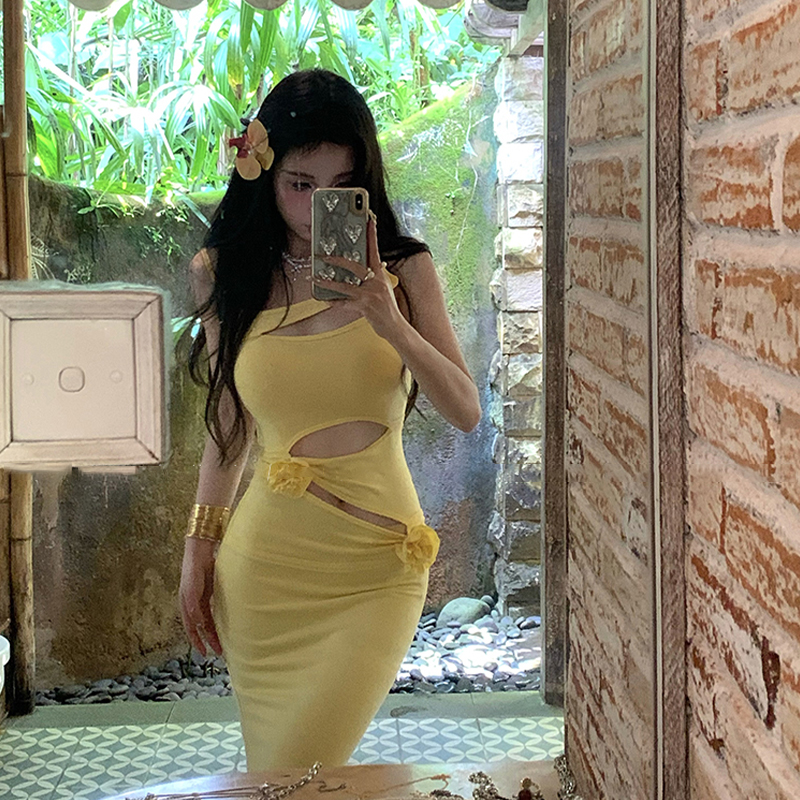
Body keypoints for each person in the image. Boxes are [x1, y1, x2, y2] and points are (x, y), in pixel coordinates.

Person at [179, 69, 481, 771]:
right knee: (280, 776)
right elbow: (229, 419)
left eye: (340, 185)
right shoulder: (222, 272)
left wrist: (390, 320)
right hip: (266, 570)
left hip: (380, 568)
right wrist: (199, 545)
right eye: (298, 184)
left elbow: (464, 410)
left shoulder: (405, 269)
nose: (317, 207)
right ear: (262, 175)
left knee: (301, 768)